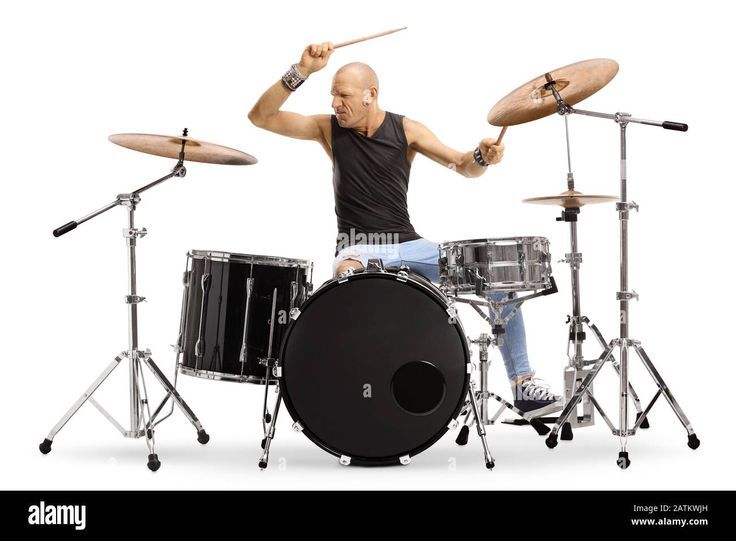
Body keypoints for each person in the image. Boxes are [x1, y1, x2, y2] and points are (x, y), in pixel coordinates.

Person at [248, 41, 562, 416]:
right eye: (332, 95)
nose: (335, 104)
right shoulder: (326, 129)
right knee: (346, 282)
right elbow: (261, 117)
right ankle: (357, 395)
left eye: (343, 96)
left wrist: (483, 156)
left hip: (410, 244)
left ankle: (523, 387)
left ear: (371, 95)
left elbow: (463, 165)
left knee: (495, 277)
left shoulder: (407, 130)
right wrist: (302, 70)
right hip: (359, 246)